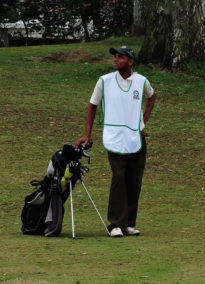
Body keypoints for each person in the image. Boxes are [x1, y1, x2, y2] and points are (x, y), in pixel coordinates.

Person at [75, 46, 156, 237]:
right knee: (119, 177)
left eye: (121, 57)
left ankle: (129, 223)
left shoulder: (141, 81)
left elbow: (151, 97)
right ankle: (115, 224)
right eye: (115, 57)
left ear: (131, 62)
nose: (116, 60)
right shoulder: (104, 81)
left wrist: (142, 122)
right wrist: (87, 135)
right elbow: (92, 107)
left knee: (134, 180)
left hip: (136, 138)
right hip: (114, 137)